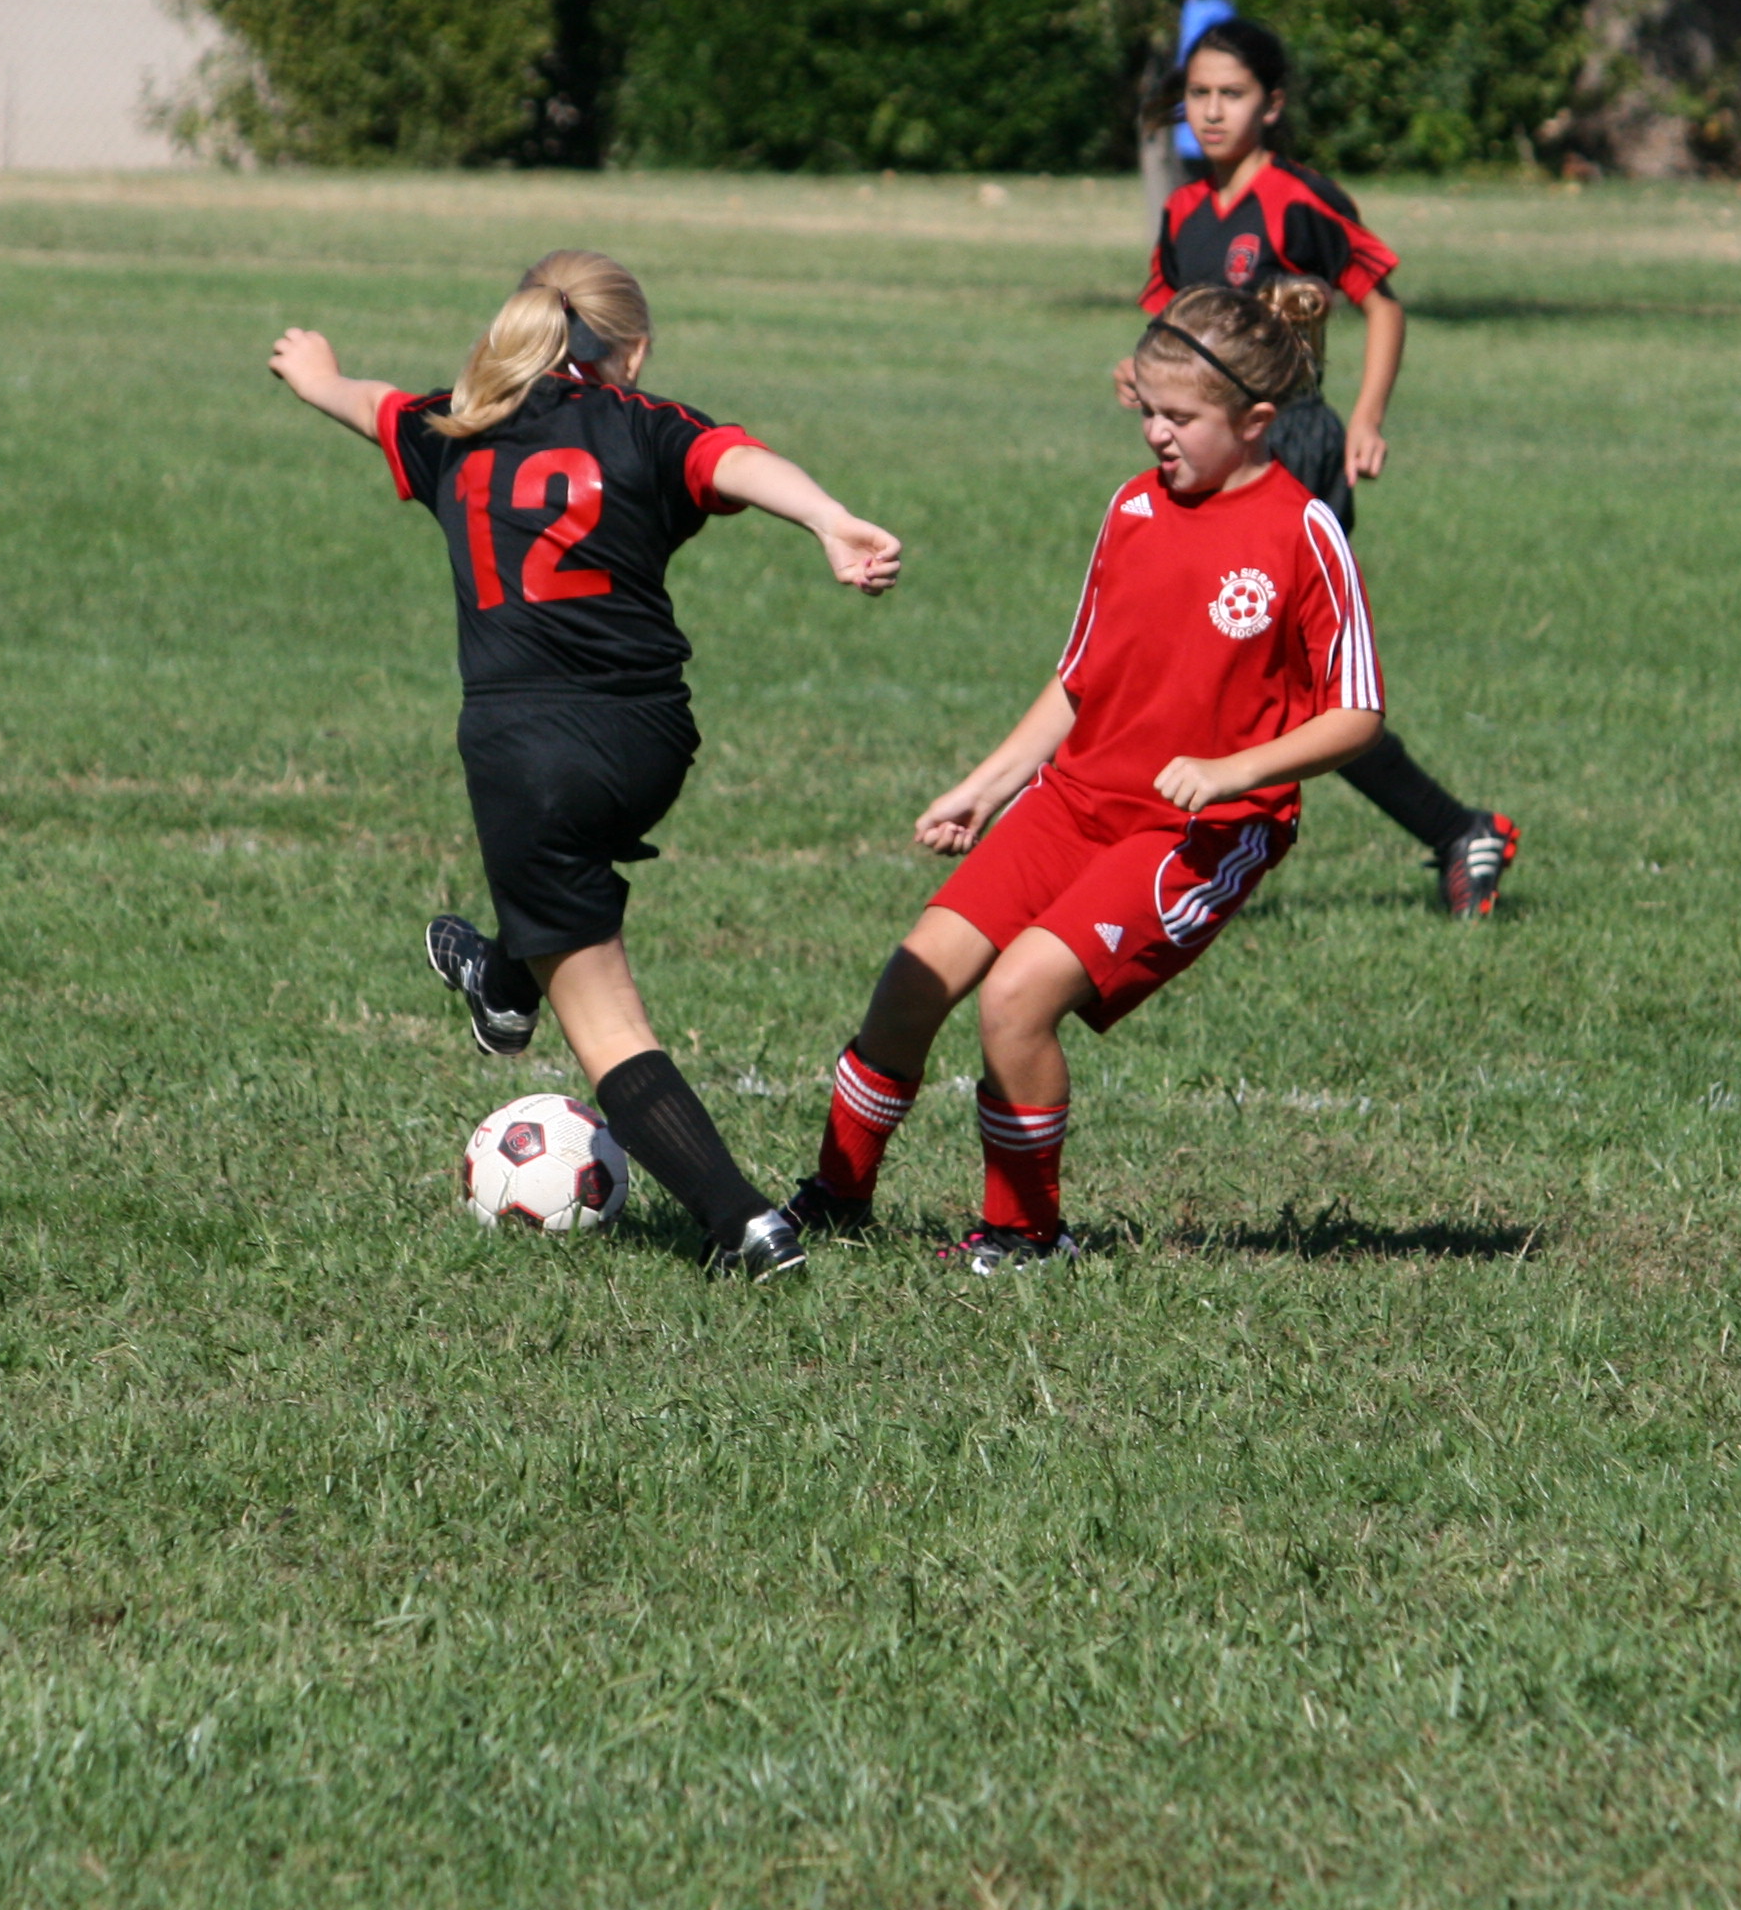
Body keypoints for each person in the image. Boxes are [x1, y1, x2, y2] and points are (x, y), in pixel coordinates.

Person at [266, 250, 903, 1282]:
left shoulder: (457, 426)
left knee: (607, 1023)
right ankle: (500, 977)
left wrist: (316, 375)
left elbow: (371, 404)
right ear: (632, 352)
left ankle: (744, 1224)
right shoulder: (647, 425)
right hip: (652, 742)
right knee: (561, 880)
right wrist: (830, 521)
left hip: (527, 756)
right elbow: (738, 462)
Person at [787, 281, 1384, 1271]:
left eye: (1180, 417)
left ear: (1255, 421)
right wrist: (987, 785)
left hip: (1198, 833)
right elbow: (1080, 679)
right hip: (1074, 801)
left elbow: (1356, 714)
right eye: (1147, 409)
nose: (1155, 433)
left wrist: (1232, 770)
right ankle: (836, 1195)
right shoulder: (1133, 507)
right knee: (913, 979)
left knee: (1015, 999)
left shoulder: (1301, 531)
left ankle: (1026, 1233)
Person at [1146, 17, 1516, 915]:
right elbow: (1164, 322)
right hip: (1209, 453)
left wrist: (1367, 419)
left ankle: (1187, 852)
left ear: (1272, 104)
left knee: (1257, 666)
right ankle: (1457, 830)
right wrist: (1141, 372)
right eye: (1199, 94)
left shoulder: (1298, 200)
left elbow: (1382, 305)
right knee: (1236, 665)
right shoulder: (1185, 210)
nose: (1212, 111)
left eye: (1232, 94)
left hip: (1294, 448)